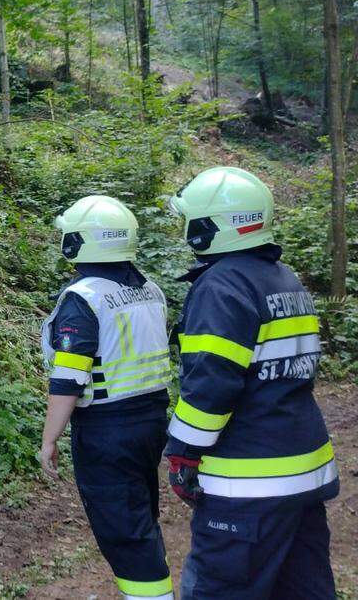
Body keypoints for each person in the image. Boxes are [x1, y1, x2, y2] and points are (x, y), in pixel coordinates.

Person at [165, 166, 338, 599]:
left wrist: (183, 453)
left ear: (213, 227)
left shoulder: (221, 286)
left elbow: (210, 386)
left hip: (248, 485)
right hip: (303, 472)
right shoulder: (283, 278)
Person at [37, 195, 174, 600]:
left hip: (106, 431)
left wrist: (49, 440)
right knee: (141, 519)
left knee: (125, 534)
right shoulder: (150, 290)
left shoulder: (84, 298)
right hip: (152, 422)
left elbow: (68, 378)